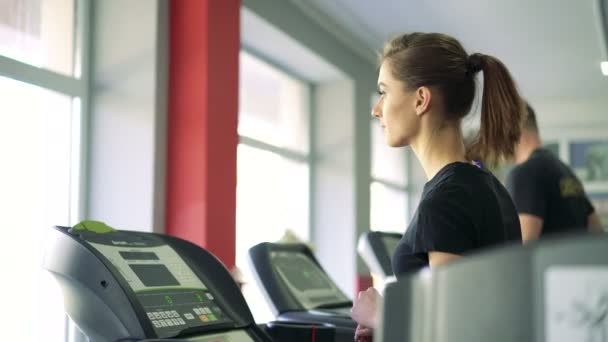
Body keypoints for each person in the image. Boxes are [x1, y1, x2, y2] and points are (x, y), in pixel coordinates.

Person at [350, 32, 525, 340]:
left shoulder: (447, 198)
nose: (376, 109)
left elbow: (451, 333)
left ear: (420, 100)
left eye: (384, 92)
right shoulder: (482, 184)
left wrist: (384, 316)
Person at [506, 103, 603, 242]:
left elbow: (522, 250)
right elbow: (597, 231)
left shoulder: (525, 173)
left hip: (547, 264)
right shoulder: (565, 170)